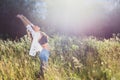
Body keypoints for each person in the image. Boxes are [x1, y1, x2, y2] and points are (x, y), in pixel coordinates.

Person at [16, 14, 50, 79]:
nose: (37, 26)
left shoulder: (38, 33)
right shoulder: (36, 33)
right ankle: (41, 76)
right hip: (44, 52)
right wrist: (22, 18)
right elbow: (29, 25)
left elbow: (29, 24)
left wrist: (23, 17)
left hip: (44, 52)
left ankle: (41, 76)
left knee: (44, 67)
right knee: (43, 67)